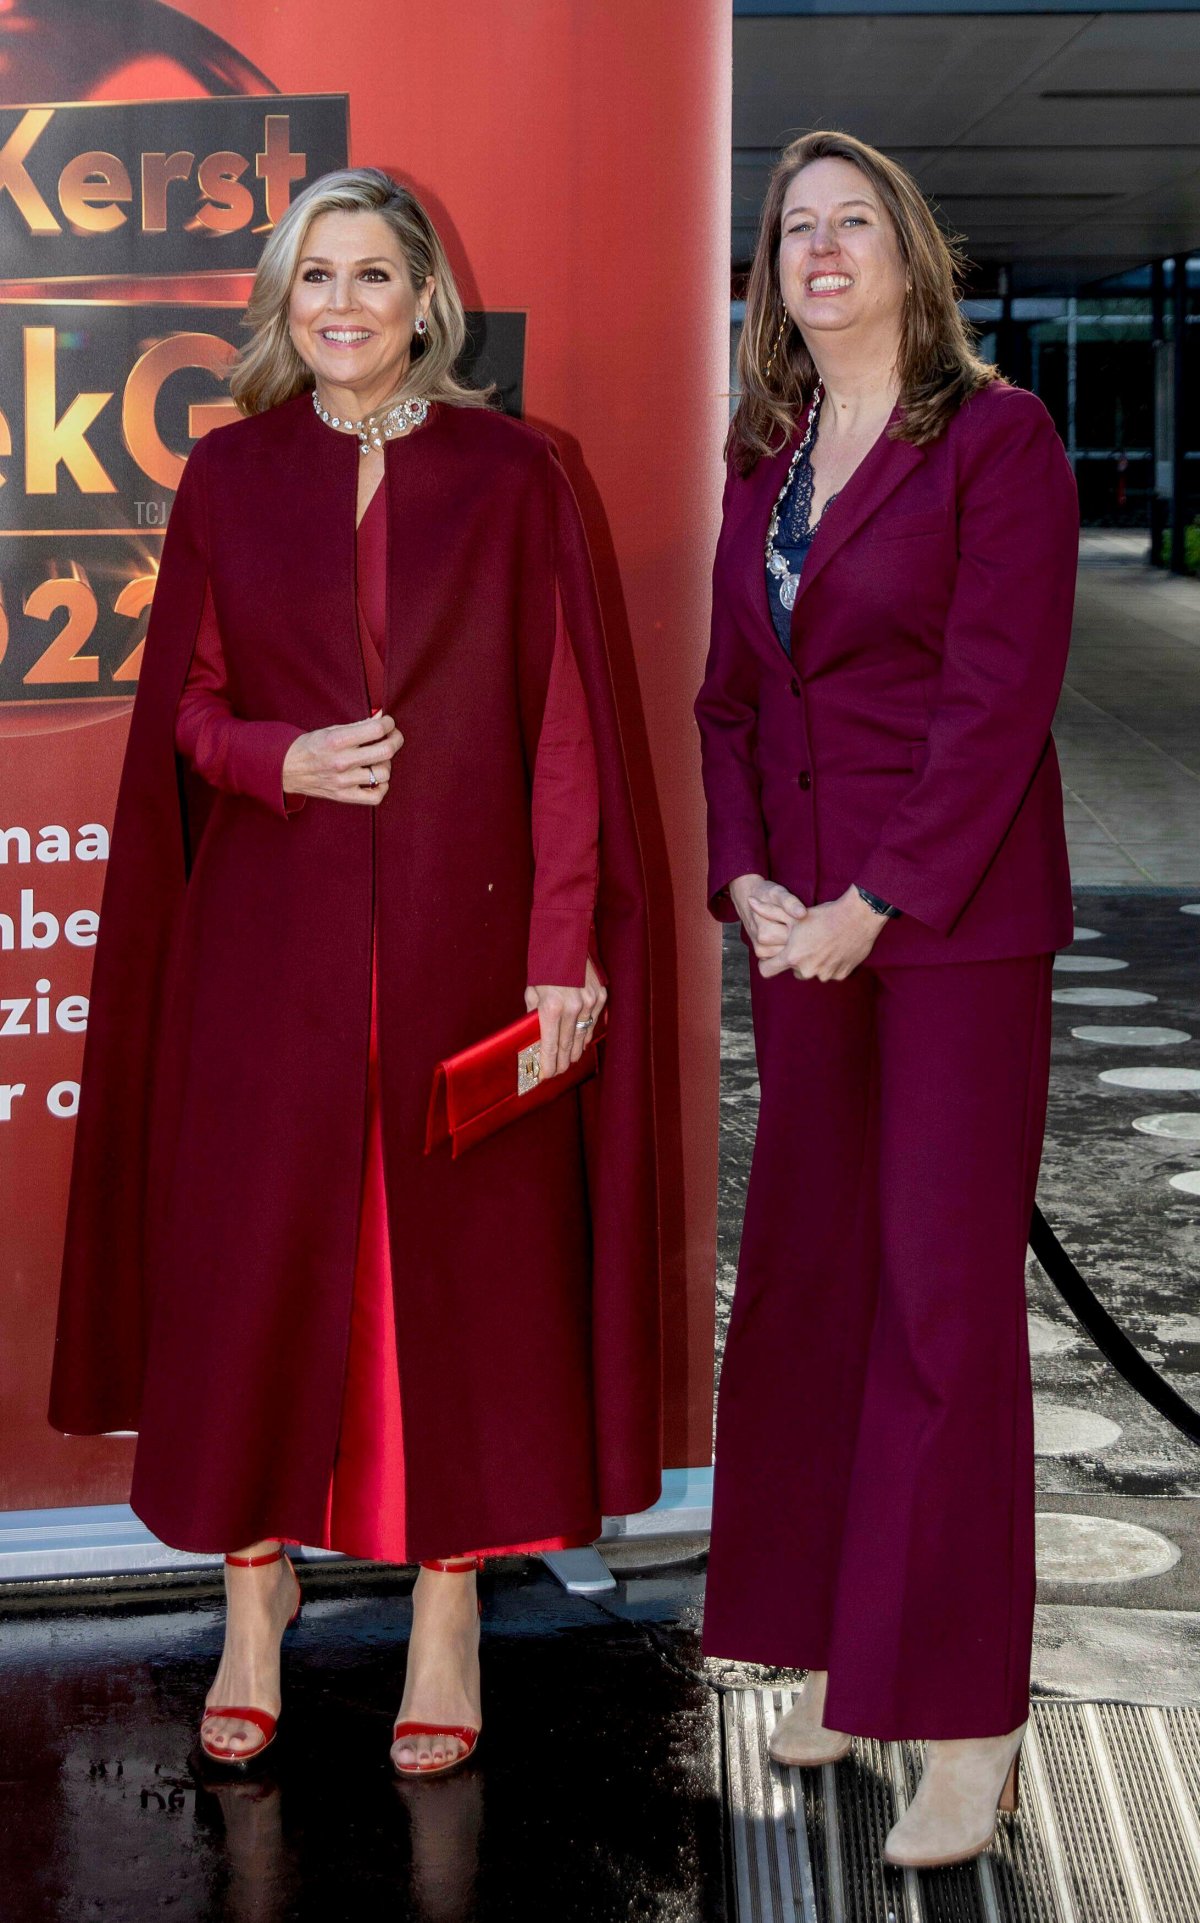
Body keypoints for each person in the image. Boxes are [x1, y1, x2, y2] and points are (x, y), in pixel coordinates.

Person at [50, 167, 659, 1780]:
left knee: (453, 1291)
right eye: (315, 275)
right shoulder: (230, 473)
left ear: (424, 301)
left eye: (373, 274)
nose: (342, 304)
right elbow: (182, 714)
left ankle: (446, 1612)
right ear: (281, 299)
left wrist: (561, 957)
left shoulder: (517, 474)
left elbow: (569, 736)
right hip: (267, 957)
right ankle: (254, 1601)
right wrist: (283, 761)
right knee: (254, 1279)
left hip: (465, 951)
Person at [696, 130, 1078, 1869]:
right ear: (771, 271)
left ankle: (971, 1722)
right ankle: (855, 1665)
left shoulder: (998, 439)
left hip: (949, 931)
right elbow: (728, 702)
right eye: (798, 228)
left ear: (913, 255)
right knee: (821, 1291)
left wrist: (875, 899)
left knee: (942, 1313)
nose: (824, 249)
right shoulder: (766, 457)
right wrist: (750, 882)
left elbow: (998, 702)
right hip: (805, 936)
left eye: (856, 222)